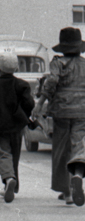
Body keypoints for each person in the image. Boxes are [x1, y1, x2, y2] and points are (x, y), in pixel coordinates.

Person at [35, 27, 85, 207]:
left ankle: (67, 192)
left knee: (61, 150)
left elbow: (52, 81)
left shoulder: (58, 63)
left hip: (62, 111)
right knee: (78, 146)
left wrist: (40, 102)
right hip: (82, 112)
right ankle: (78, 176)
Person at [0, 52, 34, 204]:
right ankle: (13, 185)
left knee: (3, 154)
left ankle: (8, 179)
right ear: (16, 67)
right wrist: (23, 114)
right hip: (16, 125)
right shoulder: (22, 85)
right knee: (14, 155)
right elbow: (30, 104)